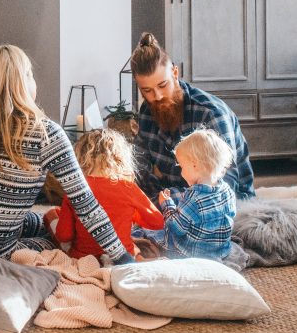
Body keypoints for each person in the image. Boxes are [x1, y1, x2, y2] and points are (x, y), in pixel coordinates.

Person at [0, 44, 134, 265]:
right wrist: (123, 257)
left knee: (40, 220)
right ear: (22, 83)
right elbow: (85, 203)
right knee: (56, 241)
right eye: (30, 74)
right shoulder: (46, 133)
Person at [131, 32, 256, 200]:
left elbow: (225, 184)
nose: (157, 96)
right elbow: (139, 168)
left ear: (175, 73)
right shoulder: (147, 111)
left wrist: (171, 200)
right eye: (147, 90)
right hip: (173, 201)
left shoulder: (210, 113)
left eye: (163, 85)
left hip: (223, 204)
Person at [51, 128, 164, 260]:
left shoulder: (76, 189)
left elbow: (64, 235)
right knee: (142, 247)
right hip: (123, 257)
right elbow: (157, 222)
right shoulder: (128, 187)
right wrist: (130, 214)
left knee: (51, 214)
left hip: (83, 258)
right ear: (120, 158)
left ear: (79, 157)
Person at [135, 128, 237, 261]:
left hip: (189, 253)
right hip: (219, 250)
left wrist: (167, 204)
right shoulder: (226, 190)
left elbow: (177, 228)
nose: (181, 172)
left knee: (148, 231)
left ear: (195, 166)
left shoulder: (193, 197)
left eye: (182, 166)